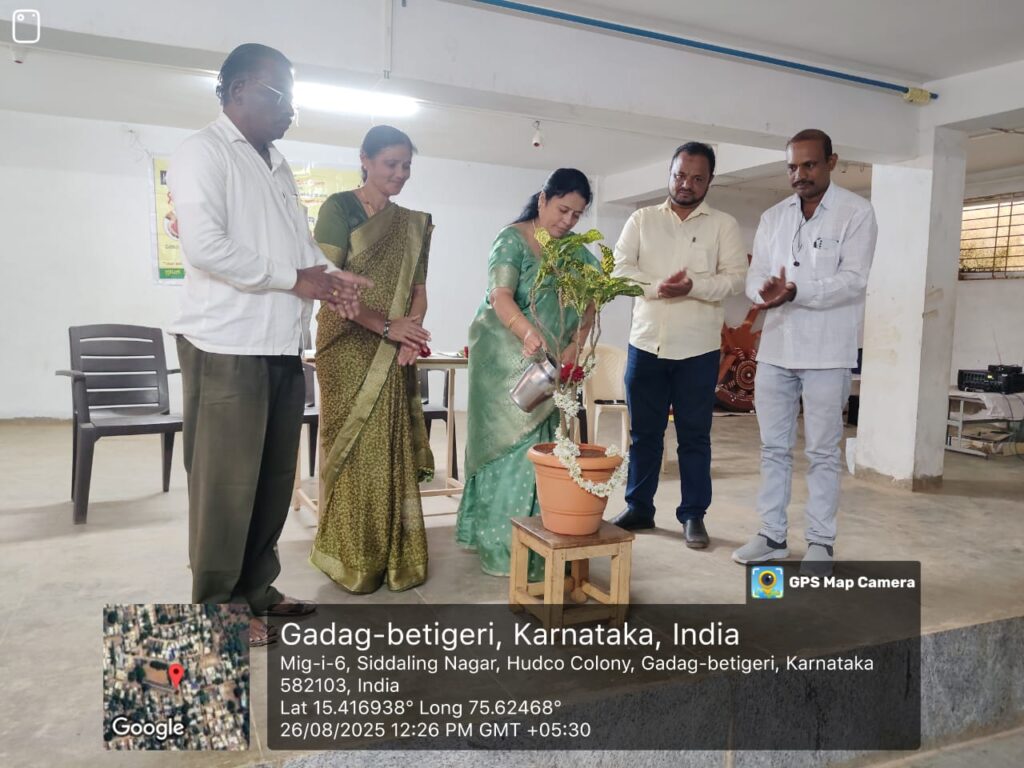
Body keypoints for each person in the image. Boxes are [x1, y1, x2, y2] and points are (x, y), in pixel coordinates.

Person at [169, 44, 370, 645]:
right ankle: (218, 611)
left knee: (271, 480)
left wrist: (329, 278)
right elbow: (206, 247)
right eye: (280, 95)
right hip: (225, 344)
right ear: (237, 91)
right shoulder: (203, 152)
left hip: (281, 345)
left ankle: (256, 589)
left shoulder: (277, 165)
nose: (291, 110)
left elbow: (298, 247)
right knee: (225, 487)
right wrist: (297, 279)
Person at [732, 129, 877, 575]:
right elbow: (754, 275)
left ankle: (820, 543)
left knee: (822, 452)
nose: (800, 175)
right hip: (777, 348)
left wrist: (796, 291)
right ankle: (772, 536)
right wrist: (764, 290)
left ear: (832, 162)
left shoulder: (856, 213)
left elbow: (854, 280)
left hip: (828, 353)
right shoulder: (774, 216)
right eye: (792, 167)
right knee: (773, 448)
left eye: (809, 164)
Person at [309, 125, 435, 594]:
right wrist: (386, 326)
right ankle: (350, 555)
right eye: (390, 164)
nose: (400, 174)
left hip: (394, 345)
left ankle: (392, 555)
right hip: (346, 342)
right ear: (364, 159)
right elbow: (327, 283)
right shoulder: (338, 208)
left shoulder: (414, 223)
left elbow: (418, 289)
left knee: (389, 447)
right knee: (355, 448)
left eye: (406, 166)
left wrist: (411, 334)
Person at [456, 169, 597, 577]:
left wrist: (573, 347)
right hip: (503, 364)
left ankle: (541, 547)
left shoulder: (575, 252)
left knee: (543, 451)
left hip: (550, 367)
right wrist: (526, 332)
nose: (568, 221)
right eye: (562, 209)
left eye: (577, 215)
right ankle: (502, 547)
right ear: (542, 200)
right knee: (508, 453)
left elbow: (590, 305)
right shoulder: (513, 240)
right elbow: (499, 295)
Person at [610, 142, 747, 548]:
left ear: (710, 181)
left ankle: (693, 515)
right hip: (646, 346)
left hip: (698, 351)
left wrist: (694, 287)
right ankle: (639, 508)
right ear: (669, 173)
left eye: (696, 178)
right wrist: (656, 287)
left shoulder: (723, 225)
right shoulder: (642, 220)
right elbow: (618, 270)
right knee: (644, 435)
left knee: (694, 437)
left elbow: (736, 278)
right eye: (679, 175)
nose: (686, 184)